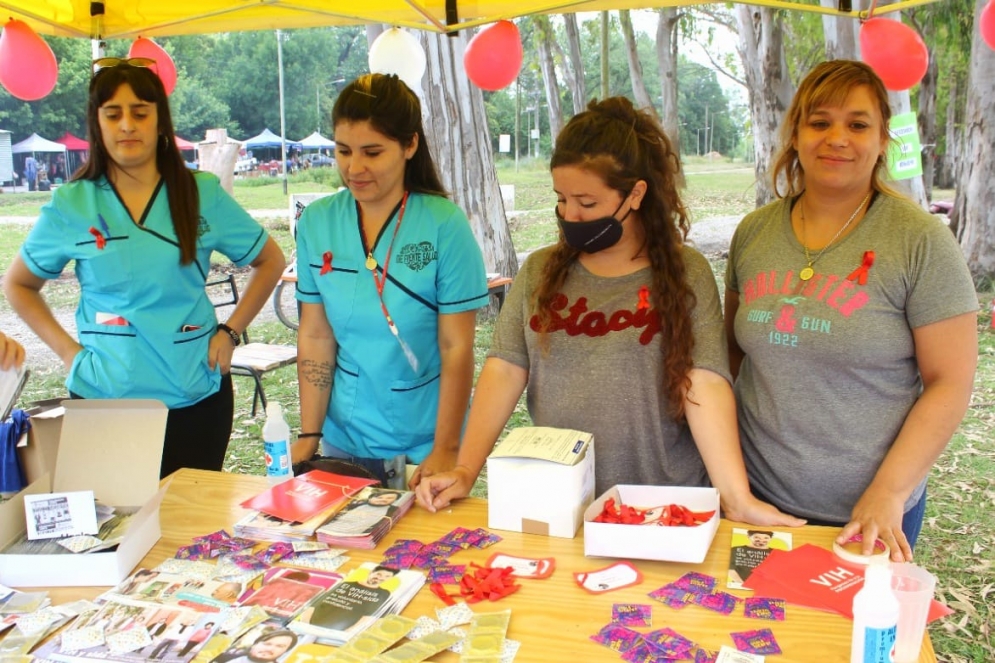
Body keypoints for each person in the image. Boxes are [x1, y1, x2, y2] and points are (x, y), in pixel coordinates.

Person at [415, 97, 803, 529]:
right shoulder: (540, 271)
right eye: (561, 199)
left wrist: (736, 497)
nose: (569, 215)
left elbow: (705, 381)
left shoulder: (683, 273)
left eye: (587, 202)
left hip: (659, 506)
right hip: (558, 503)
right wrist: (467, 468)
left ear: (635, 193)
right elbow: (505, 369)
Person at [724, 60, 978, 563]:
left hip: (867, 515)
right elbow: (732, 356)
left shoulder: (920, 240)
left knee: (847, 640)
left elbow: (951, 382)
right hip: (757, 503)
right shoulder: (753, 233)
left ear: (882, 139)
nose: (837, 137)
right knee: (754, 637)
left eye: (858, 124)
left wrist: (888, 492)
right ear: (795, 135)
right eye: (819, 122)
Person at [2, 59, 286, 479]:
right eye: (113, 114)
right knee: (118, 528)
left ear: (159, 121)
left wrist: (230, 331)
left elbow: (270, 260)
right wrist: (68, 353)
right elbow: (19, 285)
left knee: (187, 529)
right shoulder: (73, 204)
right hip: (105, 400)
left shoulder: (199, 193)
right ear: (97, 123)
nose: (127, 125)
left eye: (140, 112)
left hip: (196, 398)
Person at [290, 73, 488, 489]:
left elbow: (457, 347)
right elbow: (316, 335)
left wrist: (447, 448)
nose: (354, 167)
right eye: (343, 151)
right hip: (343, 436)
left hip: (424, 442)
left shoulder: (444, 225)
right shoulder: (317, 222)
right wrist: (310, 433)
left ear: (410, 145)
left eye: (372, 152)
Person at [209, 629, 298, 663]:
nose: (270, 648)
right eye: (267, 643)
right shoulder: (222, 657)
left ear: (285, 651)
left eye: (280, 646)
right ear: (255, 644)